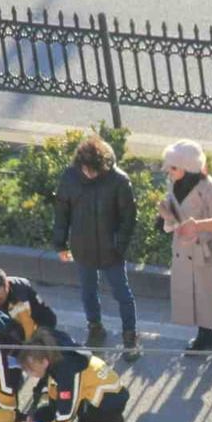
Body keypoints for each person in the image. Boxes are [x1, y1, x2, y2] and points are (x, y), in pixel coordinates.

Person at [52, 136, 140, 361]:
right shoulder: (70, 177)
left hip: (111, 251)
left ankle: (130, 335)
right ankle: (95, 327)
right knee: (88, 291)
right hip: (83, 247)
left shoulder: (118, 180)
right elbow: (62, 211)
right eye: (85, 170)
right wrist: (60, 243)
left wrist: (118, 246)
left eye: (94, 171)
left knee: (123, 294)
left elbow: (128, 217)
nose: (89, 174)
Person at [156, 140, 212, 363]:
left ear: (188, 167)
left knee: (211, 296)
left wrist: (196, 235)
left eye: (174, 167)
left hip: (207, 252)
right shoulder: (174, 185)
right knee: (192, 295)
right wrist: (166, 217)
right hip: (183, 249)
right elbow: (174, 213)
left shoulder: (211, 190)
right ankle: (203, 335)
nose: (169, 172)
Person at [18, 328, 129, 422]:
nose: (29, 374)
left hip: (107, 406)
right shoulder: (53, 352)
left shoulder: (68, 371)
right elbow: (52, 388)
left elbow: (66, 414)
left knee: (72, 421)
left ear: (45, 362)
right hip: (102, 396)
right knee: (46, 413)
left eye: (31, 370)